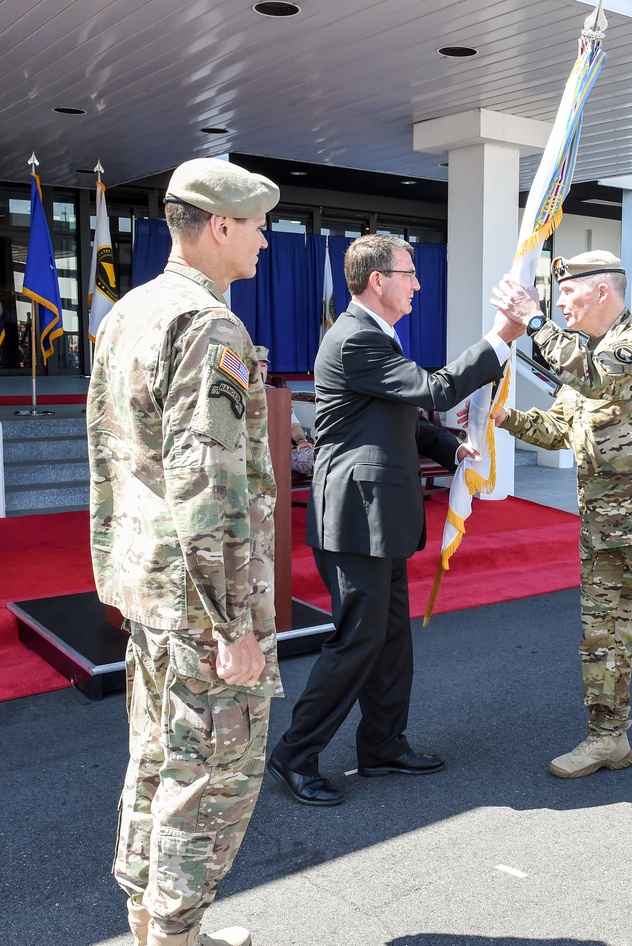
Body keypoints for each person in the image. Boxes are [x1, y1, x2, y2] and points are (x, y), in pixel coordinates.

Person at [87, 158, 282, 946]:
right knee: (212, 779)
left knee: (158, 757)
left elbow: (105, 456)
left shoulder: (129, 311)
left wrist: (113, 571)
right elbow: (210, 486)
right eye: (259, 224)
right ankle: (174, 934)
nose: (266, 240)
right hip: (201, 603)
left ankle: (151, 921)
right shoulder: (208, 326)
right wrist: (233, 623)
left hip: (150, 583)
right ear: (221, 225)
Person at [267, 233, 529, 805]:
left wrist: (447, 446)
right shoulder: (356, 339)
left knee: (388, 638)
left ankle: (382, 744)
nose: (417, 283)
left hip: (374, 516)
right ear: (377, 280)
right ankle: (294, 753)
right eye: (408, 273)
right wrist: (501, 336)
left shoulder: (374, 336)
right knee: (358, 640)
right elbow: (431, 389)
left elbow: (398, 415)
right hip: (355, 518)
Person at [490, 251, 632, 778]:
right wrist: (505, 417)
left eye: (566, 293)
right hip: (603, 528)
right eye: (552, 297)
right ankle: (608, 739)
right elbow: (560, 427)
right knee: (601, 640)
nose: (558, 303)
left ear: (602, 290)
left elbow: (599, 380)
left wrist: (534, 322)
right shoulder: (582, 354)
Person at [254, 345, 314, 475]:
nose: (260, 370)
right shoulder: (236, 394)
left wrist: (301, 440)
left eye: (263, 365)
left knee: (321, 459)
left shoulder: (277, 394)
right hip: (250, 456)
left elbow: (293, 425)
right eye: (255, 364)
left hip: (280, 452)